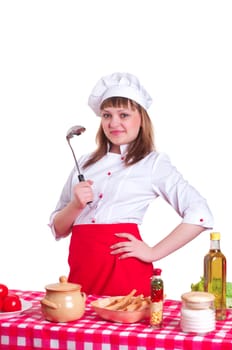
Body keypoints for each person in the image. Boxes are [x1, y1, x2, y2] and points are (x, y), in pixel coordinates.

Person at [49, 72, 214, 297]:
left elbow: (200, 214)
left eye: (123, 114)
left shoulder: (152, 164)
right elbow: (59, 228)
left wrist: (152, 252)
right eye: (107, 115)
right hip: (81, 274)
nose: (113, 123)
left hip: (125, 277)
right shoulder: (85, 163)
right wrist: (75, 206)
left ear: (141, 118)